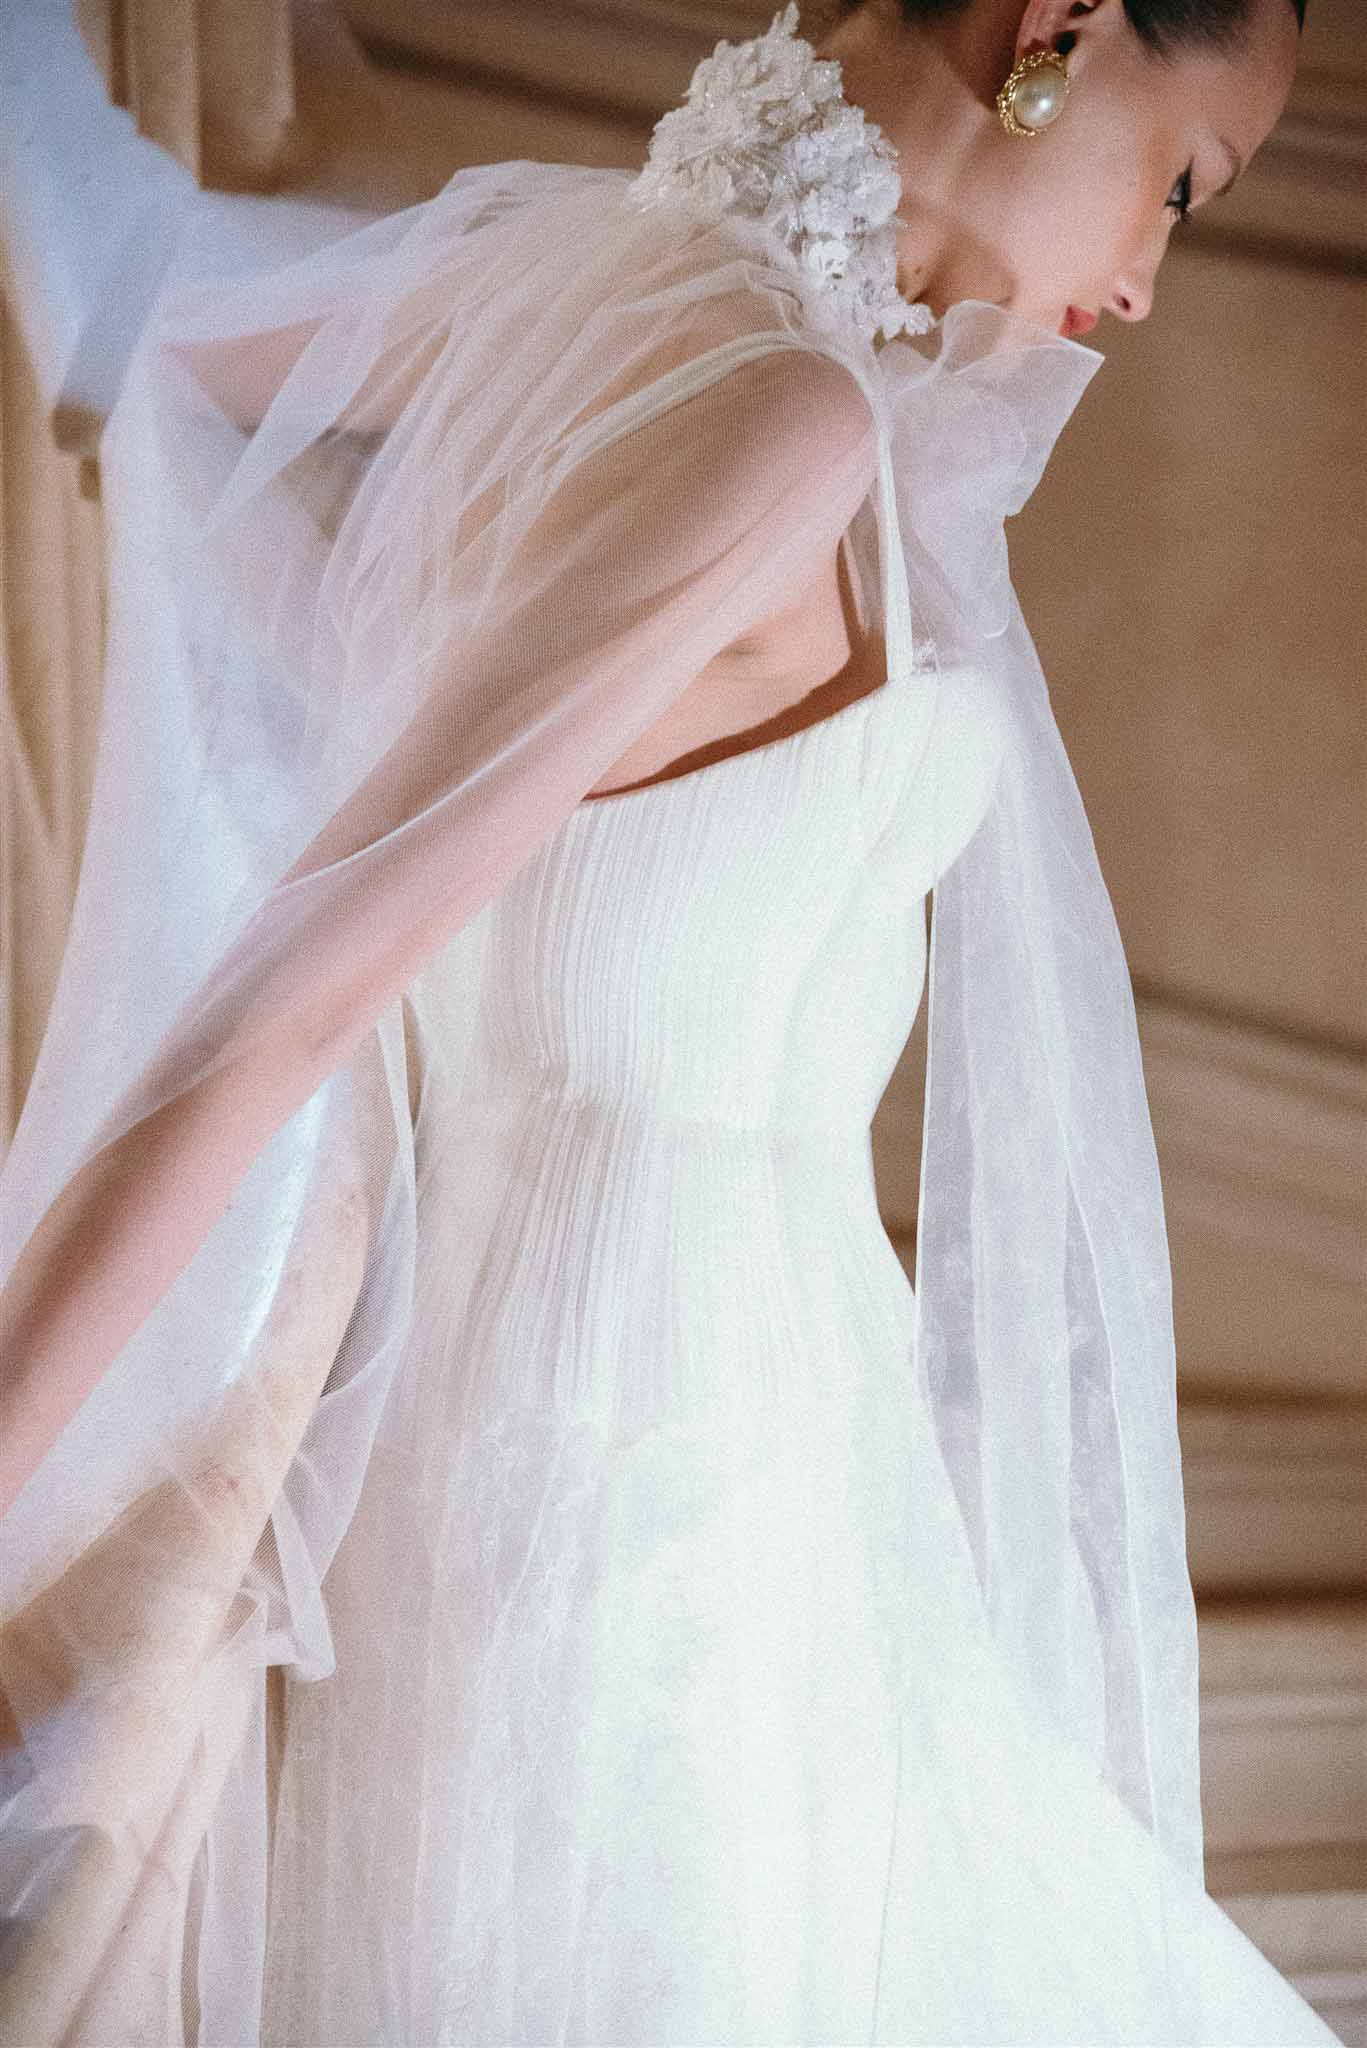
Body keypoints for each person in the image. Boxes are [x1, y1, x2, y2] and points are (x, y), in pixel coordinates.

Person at [0, 0, 1343, 2041]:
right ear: (1055, 34)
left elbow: (123, 296)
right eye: (1178, 182)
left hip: (773, 1504)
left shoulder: (580, 295)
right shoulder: (764, 413)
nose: (1150, 275)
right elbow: (277, 1006)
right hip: (605, 1547)